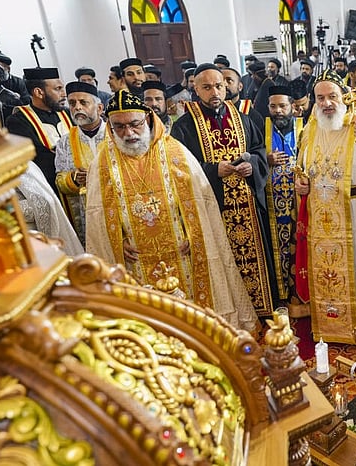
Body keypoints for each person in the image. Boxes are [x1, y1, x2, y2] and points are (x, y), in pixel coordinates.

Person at [86, 89, 259, 333]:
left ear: (147, 119)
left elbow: (201, 201)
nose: (128, 133)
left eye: (134, 124)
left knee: (192, 312)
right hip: (136, 257)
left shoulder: (174, 151)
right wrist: (115, 241)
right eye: (119, 127)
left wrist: (195, 234)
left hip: (182, 250)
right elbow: (97, 214)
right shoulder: (102, 163)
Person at [170, 64, 275, 315]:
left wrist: (252, 165)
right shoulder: (184, 126)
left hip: (248, 207)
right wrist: (213, 170)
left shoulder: (242, 118)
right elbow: (178, 168)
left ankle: (262, 312)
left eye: (219, 86)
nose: (215, 92)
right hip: (213, 208)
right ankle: (233, 314)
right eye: (207, 87)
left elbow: (259, 150)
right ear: (196, 89)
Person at [295, 70, 356, 342]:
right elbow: (301, 169)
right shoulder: (310, 129)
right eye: (320, 98)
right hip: (319, 212)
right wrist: (300, 184)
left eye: (332, 96)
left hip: (354, 209)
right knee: (324, 271)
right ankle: (327, 327)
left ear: (344, 97)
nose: (326, 103)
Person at [264, 85, 303, 306]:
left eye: (282, 106)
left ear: (292, 107)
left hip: (300, 201)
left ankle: (300, 295)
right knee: (276, 249)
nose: (277, 111)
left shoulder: (304, 128)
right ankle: (280, 296)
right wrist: (266, 158)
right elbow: (253, 154)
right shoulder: (261, 128)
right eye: (273, 106)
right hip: (272, 204)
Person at [5, 68, 72, 196]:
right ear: (39, 92)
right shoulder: (18, 120)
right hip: (49, 188)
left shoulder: (67, 113)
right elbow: (39, 157)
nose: (64, 94)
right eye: (58, 89)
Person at [54, 81, 106, 245]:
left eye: (83, 102)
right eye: (72, 103)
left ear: (99, 108)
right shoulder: (65, 142)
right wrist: (74, 179)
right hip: (87, 214)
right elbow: (60, 180)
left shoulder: (114, 133)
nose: (77, 107)